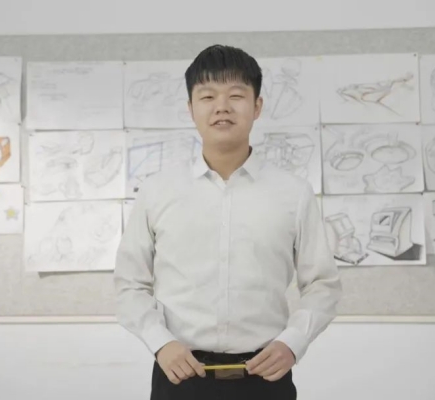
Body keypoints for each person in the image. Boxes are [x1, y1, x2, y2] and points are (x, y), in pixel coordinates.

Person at [114, 44, 342, 400]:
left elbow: (322, 284)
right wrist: (160, 343)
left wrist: (293, 342)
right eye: (208, 96)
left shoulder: (293, 193)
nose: (222, 106)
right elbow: (130, 283)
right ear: (191, 108)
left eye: (236, 95)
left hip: (265, 377)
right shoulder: (158, 191)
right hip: (179, 376)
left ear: (257, 107)